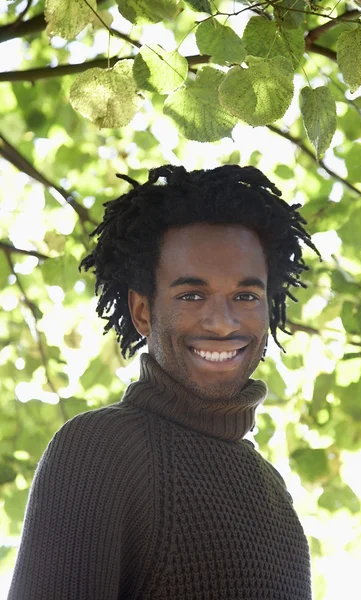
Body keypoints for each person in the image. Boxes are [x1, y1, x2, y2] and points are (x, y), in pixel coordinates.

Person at [8, 164, 320, 599]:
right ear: (142, 312)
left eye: (245, 296)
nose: (222, 323)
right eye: (192, 295)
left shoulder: (271, 490)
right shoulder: (99, 448)